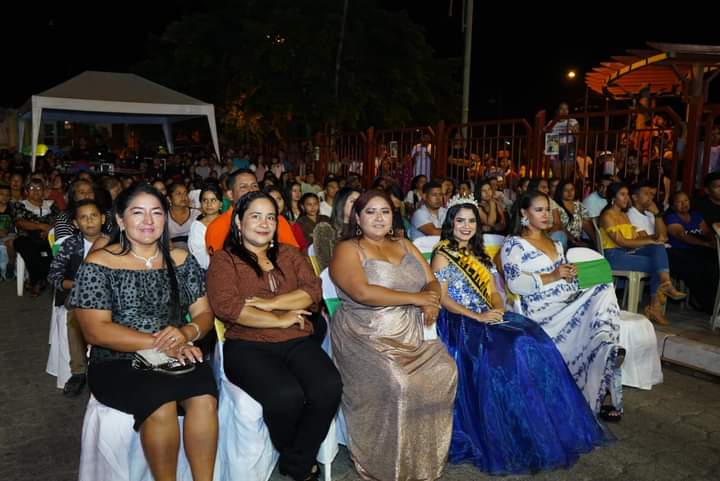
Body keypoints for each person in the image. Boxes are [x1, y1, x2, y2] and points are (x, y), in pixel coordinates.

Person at [432, 197, 607, 474]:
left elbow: (493, 290)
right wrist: (477, 316)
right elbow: (442, 298)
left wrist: (498, 308)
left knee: (533, 337)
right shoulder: (443, 254)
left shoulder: (479, 253)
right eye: (460, 220)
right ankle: (512, 429)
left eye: (472, 221)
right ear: (450, 223)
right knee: (511, 346)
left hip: (487, 314)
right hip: (460, 321)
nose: (466, 226)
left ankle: (542, 425)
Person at [70, 184, 218, 481]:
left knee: (204, 399)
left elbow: (204, 313)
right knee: (159, 403)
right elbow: (95, 331)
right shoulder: (99, 263)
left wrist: (187, 332)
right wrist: (162, 343)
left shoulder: (180, 259)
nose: (148, 220)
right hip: (117, 359)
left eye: (157, 213)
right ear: (121, 220)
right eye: (138, 213)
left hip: (176, 353)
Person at [207, 192, 341, 481]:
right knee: (285, 396)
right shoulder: (224, 260)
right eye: (255, 216)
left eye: (270, 217)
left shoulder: (289, 254)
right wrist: (281, 318)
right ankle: (302, 463)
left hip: (296, 338)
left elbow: (312, 291)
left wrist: (271, 303)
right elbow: (229, 307)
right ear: (239, 222)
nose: (264, 223)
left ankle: (295, 461)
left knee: (328, 387)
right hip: (246, 345)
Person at [330, 190, 457, 481]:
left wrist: (432, 302)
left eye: (385, 211)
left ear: (393, 216)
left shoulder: (404, 243)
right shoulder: (348, 249)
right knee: (399, 381)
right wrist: (417, 299)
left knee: (445, 371)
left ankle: (422, 461)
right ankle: (387, 465)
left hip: (412, 331)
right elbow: (362, 292)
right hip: (366, 333)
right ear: (357, 218)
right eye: (370, 212)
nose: (379, 218)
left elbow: (431, 281)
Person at [502, 191, 625, 421]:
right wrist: (554, 275)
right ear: (524, 213)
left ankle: (605, 346)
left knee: (603, 288)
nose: (546, 215)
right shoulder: (514, 244)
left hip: (565, 300)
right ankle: (603, 352)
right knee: (594, 315)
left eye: (548, 210)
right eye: (539, 210)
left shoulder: (555, 243)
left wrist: (571, 275)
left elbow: (564, 279)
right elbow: (515, 284)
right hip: (539, 309)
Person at [600, 183, 686, 325]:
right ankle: (655, 306)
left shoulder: (623, 215)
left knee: (658, 249)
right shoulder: (607, 216)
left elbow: (635, 238)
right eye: (622, 194)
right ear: (613, 197)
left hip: (627, 253)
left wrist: (654, 239)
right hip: (614, 257)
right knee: (658, 265)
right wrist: (650, 240)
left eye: (627, 194)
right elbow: (621, 242)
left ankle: (665, 283)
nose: (626, 198)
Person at [47, 199, 106, 396]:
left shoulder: (114, 243)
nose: (89, 221)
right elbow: (54, 276)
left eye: (94, 216)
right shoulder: (71, 245)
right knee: (75, 317)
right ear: (75, 223)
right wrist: (75, 284)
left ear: (103, 219)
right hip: (78, 294)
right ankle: (79, 371)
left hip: (108, 295)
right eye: (83, 217)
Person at [205, 169, 298, 256]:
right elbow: (219, 263)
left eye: (254, 186)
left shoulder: (275, 220)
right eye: (243, 187)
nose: (251, 191)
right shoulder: (217, 226)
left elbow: (293, 255)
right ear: (230, 195)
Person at [664, 191, 718, 314]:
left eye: (686, 200)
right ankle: (706, 303)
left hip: (699, 250)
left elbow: (707, 232)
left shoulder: (696, 215)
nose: (684, 204)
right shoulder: (671, 217)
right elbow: (681, 235)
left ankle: (715, 302)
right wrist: (705, 244)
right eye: (679, 202)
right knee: (701, 267)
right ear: (673, 206)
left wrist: (713, 242)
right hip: (680, 251)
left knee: (715, 262)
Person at [14, 178, 60, 296]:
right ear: (26, 191)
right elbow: (20, 222)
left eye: (39, 188)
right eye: (32, 188)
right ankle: (38, 280)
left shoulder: (51, 204)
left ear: (44, 191)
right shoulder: (20, 205)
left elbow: (60, 220)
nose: (35, 191)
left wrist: (49, 229)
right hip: (27, 238)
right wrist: (41, 226)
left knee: (54, 250)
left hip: (49, 237)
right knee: (26, 247)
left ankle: (35, 280)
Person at [312, 187, 360, 272]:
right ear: (341, 203)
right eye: (353, 201)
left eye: (359, 202)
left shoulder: (362, 229)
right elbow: (326, 267)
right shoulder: (324, 229)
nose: (357, 205)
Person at [188, 183, 223, 269]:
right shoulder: (197, 227)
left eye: (213, 200)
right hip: (209, 268)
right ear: (201, 204)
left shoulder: (228, 221)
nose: (209, 204)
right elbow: (200, 257)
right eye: (205, 200)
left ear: (221, 204)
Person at [553, 179, 593, 247]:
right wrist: (573, 241)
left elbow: (586, 224)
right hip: (563, 241)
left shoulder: (579, 205)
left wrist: (596, 241)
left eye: (572, 189)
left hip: (578, 240)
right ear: (560, 191)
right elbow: (560, 226)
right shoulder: (555, 206)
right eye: (566, 190)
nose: (569, 192)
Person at [167, 183, 200, 250]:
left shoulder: (196, 214)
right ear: (169, 199)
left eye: (185, 193)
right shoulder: (163, 217)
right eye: (178, 193)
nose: (183, 196)